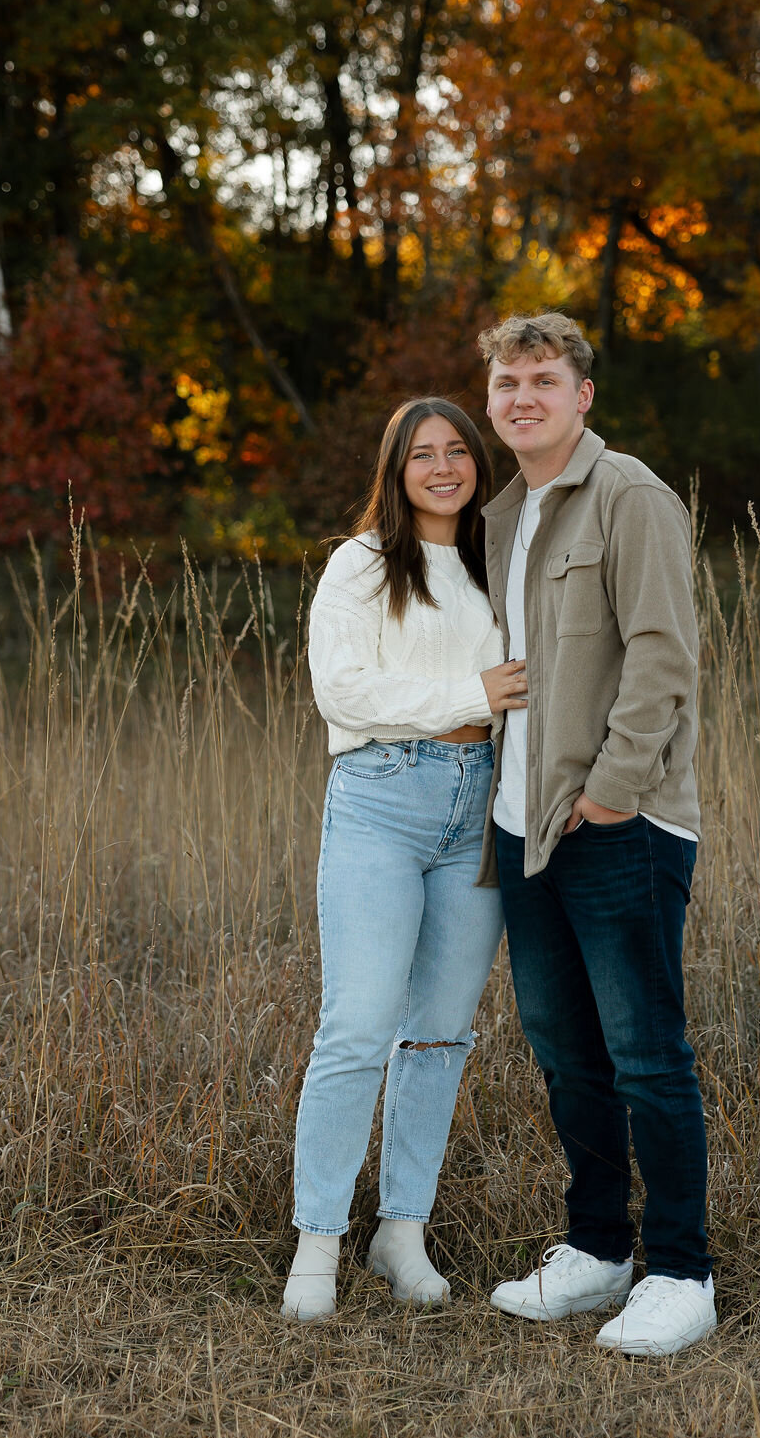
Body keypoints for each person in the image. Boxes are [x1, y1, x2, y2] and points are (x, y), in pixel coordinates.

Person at [476, 312, 716, 1357]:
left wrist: (614, 790)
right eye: (505, 382)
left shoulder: (629, 496)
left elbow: (665, 654)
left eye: (541, 379)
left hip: (614, 822)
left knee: (643, 1054)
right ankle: (595, 1248)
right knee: (563, 1048)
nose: (520, 396)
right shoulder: (503, 513)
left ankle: (681, 1271)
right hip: (520, 826)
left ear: (582, 395)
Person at [281, 397, 528, 1322]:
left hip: (481, 804)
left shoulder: (499, 561)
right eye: (420, 453)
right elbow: (338, 686)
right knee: (357, 1023)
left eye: (456, 449)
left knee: (439, 1032)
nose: (441, 466)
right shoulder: (363, 562)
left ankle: (401, 1232)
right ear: (395, 468)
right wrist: (472, 689)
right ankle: (318, 1240)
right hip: (383, 797)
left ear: (476, 463)